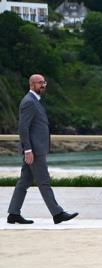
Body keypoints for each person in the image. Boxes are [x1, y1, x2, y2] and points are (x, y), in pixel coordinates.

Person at [6, 74, 79, 225]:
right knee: (44, 181)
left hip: (36, 149)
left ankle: (13, 213)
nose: (43, 85)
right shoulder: (29, 102)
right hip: (34, 151)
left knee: (24, 182)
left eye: (44, 82)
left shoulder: (35, 101)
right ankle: (58, 214)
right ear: (32, 84)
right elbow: (23, 128)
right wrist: (28, 150)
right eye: (40, 83)